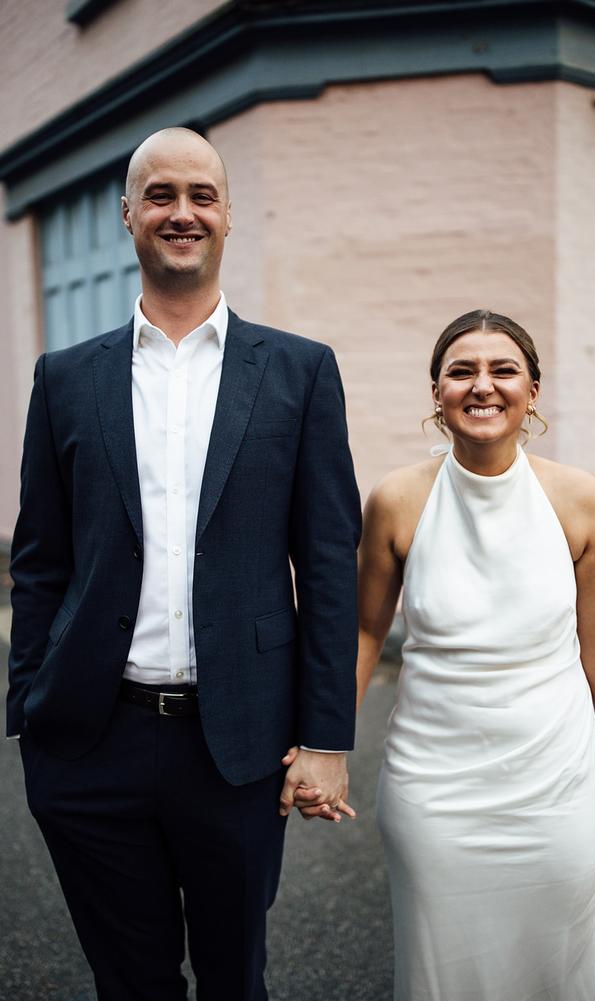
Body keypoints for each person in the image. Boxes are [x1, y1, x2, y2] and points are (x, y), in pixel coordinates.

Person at [7, 127, 361, 1001]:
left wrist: (325, 737)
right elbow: (42, 561)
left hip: (235, 744)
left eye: (202, 195)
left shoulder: (301, 372)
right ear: (129, 214)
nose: (182, 211)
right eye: (160, 195)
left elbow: (325, 566)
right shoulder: (64, 378)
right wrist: (32, 721)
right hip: (93, 738)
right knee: (129, 979)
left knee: (236, 976)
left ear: (229, 216)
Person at [356, 309, 595, 1001]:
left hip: (556, 789)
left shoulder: (579, 499)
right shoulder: (397, 500)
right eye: (461, 370)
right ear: (436, 392)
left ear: (533, 390)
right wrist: (324, 748)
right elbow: (363, 632)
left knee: (561, 970)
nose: (482, 385)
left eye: (503, 369)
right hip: (434, 792)